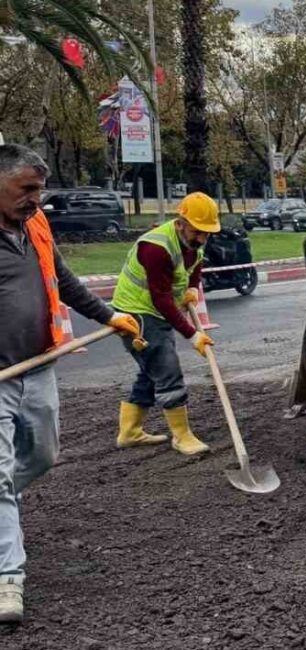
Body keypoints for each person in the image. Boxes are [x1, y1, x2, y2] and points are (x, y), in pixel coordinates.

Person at [0, 145, 141, 624]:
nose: (36, 199)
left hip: (37, 366)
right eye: (27, 190)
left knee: (40, 457)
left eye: (39, 189)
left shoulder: (35, 225)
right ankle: (8, 579)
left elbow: (63, 280)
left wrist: (111, 316)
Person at [111, 192, 220, 457]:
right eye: (198, 231)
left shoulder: (194, 240)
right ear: (180, 222)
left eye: (207, 233)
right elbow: (161, 298)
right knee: (167, 370)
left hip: (156, 312)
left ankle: (129, 432)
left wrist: (193, 288)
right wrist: (192, 334)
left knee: (152, 370)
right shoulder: (156, 248)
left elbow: (195, 266)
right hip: (136, 314)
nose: (203, 238)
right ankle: (182, 436)